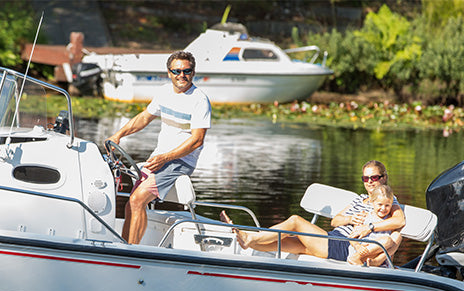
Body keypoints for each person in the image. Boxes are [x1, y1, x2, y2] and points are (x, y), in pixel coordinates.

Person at [106, 51, 211, 244]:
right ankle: (123, 247)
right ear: (169, 73)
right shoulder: (164, 92)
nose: (182, 75)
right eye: (177, 71)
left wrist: (166, 158)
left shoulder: (199, 100)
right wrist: (118, 135)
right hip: (160, 157)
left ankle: (131, 252)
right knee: (131, 204)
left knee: (138, 200)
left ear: (193, 72)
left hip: (180, 161)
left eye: (187, 71)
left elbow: (197, 140)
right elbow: (144, 118)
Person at [220, 160, 405, 265]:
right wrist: (350, 218)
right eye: (366, 178)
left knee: (295, 221)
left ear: (384, 178)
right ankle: (247, 243)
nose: (370, 182)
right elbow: (335, 221)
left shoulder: (387, 202)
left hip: (342, 246)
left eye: (374, 177)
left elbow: (399, 222)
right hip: (333, 237)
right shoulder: (359, 198)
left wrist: (369, 227)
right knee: (284, 243)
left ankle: (249, 237)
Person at [347, 184, 402, 266]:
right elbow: (352, 237)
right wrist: (357, 246)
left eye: (387, 205)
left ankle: (377, 261)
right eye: (380, 204)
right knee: (387, 240)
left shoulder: (389, 220)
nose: (383, 208)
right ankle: (356, 258)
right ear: (372, 202)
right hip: (362, 251)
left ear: (391, 204)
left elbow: (393, 246)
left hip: (378, 254)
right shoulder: (364, 216)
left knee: (398, 236)